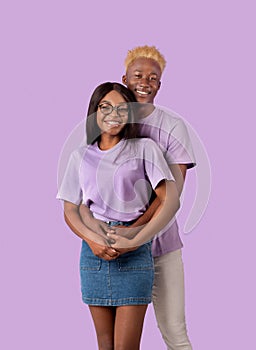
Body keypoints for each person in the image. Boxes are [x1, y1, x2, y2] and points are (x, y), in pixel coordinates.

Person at [80, 46, 196, 349]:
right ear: (124, 79)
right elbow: (87, 196)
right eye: (138, 75)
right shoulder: (108, 128)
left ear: (160, 84)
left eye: (153, 78)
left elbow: (170, 196)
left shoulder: (172, 127)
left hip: (161, 248)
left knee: (173, 330)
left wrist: (132, 232)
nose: (145, 82)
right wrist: (98, 235)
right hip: (115, 251)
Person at [57, 82, 180, 350]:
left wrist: (136, 239)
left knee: (126, 347)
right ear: (94, 111)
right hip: (94, 254)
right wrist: (91, 240)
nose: (113, 114)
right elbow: (70, 209)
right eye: (105, 107)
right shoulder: (80, 156)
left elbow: (169, 201)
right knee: (104, 344)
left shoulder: (145, 148)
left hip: (135, 253)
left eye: (122, 108)